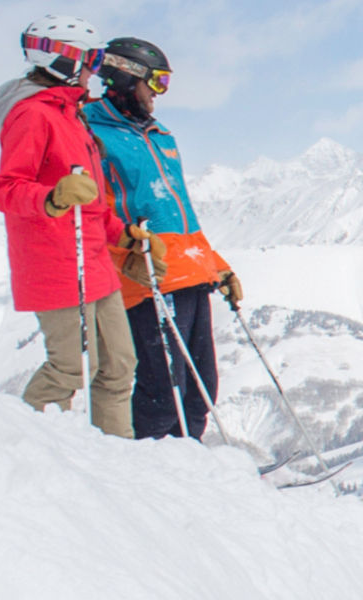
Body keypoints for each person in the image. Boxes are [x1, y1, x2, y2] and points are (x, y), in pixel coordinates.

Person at [0, 15, 136, 437]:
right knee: (67, 371)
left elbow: (89, 198)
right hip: (54, 263)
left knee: (119, 365)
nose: (96, 70)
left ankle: (119, 458)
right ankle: (23, 445)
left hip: (94, 261)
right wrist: (50, 198)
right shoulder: (33, 116)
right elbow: (7, 189)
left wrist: (122, 234)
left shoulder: (72, 116)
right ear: (63, 60)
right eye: (91, 59)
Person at [84, 36, 240, 439]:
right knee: (161, 390)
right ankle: (149, 475)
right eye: (156, 83)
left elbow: (178, 213)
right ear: (125, 77)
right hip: (145, 277)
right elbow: (90, 210)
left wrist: (217, 267)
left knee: (201, 387)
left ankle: (191, 470)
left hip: (190, 273)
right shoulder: (91, 131)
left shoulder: (160, 135)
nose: (159, 95)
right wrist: (126, 243)